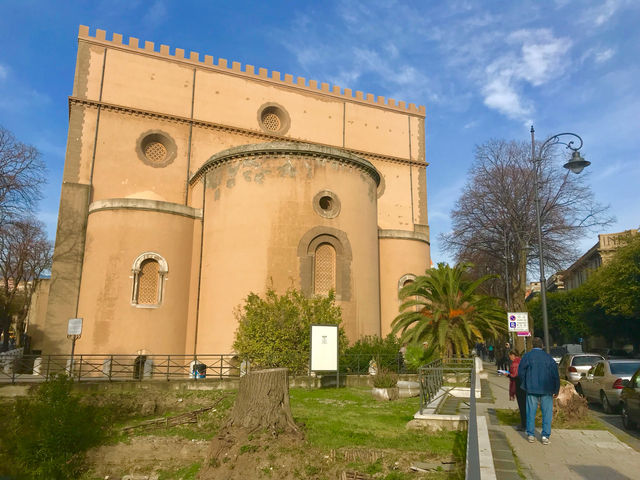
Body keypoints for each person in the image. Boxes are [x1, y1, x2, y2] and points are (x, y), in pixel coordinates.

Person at [518, 337, 560, 445]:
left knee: (530, 412)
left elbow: (521, 372)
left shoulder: (527, 356)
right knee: (547, 413)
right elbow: (555, 374)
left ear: (532, 345)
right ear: (542, 345)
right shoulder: (548, 358)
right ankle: (545, 436)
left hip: (531, 388)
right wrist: (556, 389)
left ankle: (531, 434)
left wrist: (525, 383)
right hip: (547, 389)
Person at [502, 350, 526, 431]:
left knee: (522, 406)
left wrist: (508, 374)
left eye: (510, 356)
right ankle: (525, 424)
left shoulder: (515, 363)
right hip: (524, 386)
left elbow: (514, 375)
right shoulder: (521, 361)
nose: (510, 358)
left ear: (513, 355)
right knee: (524, 406)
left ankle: (524, 425)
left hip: (519, 386)